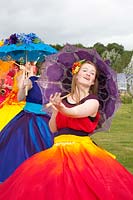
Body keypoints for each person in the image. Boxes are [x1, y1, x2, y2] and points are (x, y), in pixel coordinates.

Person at [0, 60, 133, 200]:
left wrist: (61, 108)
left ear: (93, 82)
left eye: (92, 73)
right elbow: (53, 128)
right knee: (39, 184)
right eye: (85, 70)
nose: (88, 74)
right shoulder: (63, 99)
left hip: (81, 150)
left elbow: (75, 112)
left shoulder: (93, 102)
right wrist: (55, 111)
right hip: (58, 148)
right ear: (76, 74)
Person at [0, 61, 54, 182]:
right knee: (19, 147)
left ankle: (41, 177)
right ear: (40, 68)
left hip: (45, 120)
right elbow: (20, 98)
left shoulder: (54, 86)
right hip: (27, 118)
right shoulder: (32, 80)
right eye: (45, 67)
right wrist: (23, 86)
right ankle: (18, 176)